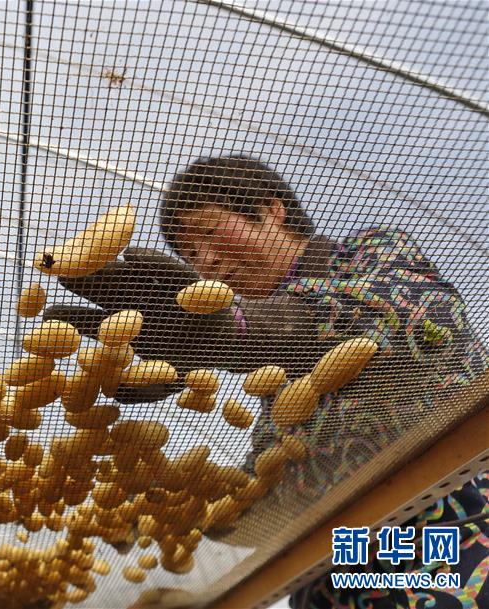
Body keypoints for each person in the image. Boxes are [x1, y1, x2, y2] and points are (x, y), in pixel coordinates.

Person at [45, 155, 488, 607]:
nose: (207, 261)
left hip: (454, 542)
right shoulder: (273, 385)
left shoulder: (367, 255)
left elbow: (421, 323)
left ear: (272, 210)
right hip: (336, 580)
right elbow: (276, 497)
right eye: (190, 256)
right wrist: (172, 508)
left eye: (209, 232)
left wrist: (242, 331)